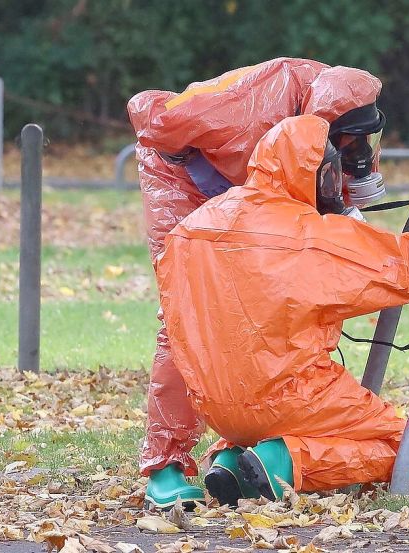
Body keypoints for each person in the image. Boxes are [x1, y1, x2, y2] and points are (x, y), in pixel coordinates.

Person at [155, 114, 409, 504]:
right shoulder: (309, 235)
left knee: (282, 420)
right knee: (398, 445)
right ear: (312, 173)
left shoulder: (190, 229)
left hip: (214, 404)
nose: (337, 187)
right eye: (331, 175)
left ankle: (233, 463)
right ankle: (281, 462)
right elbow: (400, 267)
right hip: (289, 395)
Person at [126, 58, 390, 509]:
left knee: (275, 306)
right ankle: (166, 465)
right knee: (187, 316)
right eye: (350, 144)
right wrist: (213, 180)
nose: (361, 153)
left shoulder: (344, 106)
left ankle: (252, 449)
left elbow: (328, 184)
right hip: (186, 184)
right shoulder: (250, 106)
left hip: (252, 191)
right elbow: (151, 116)